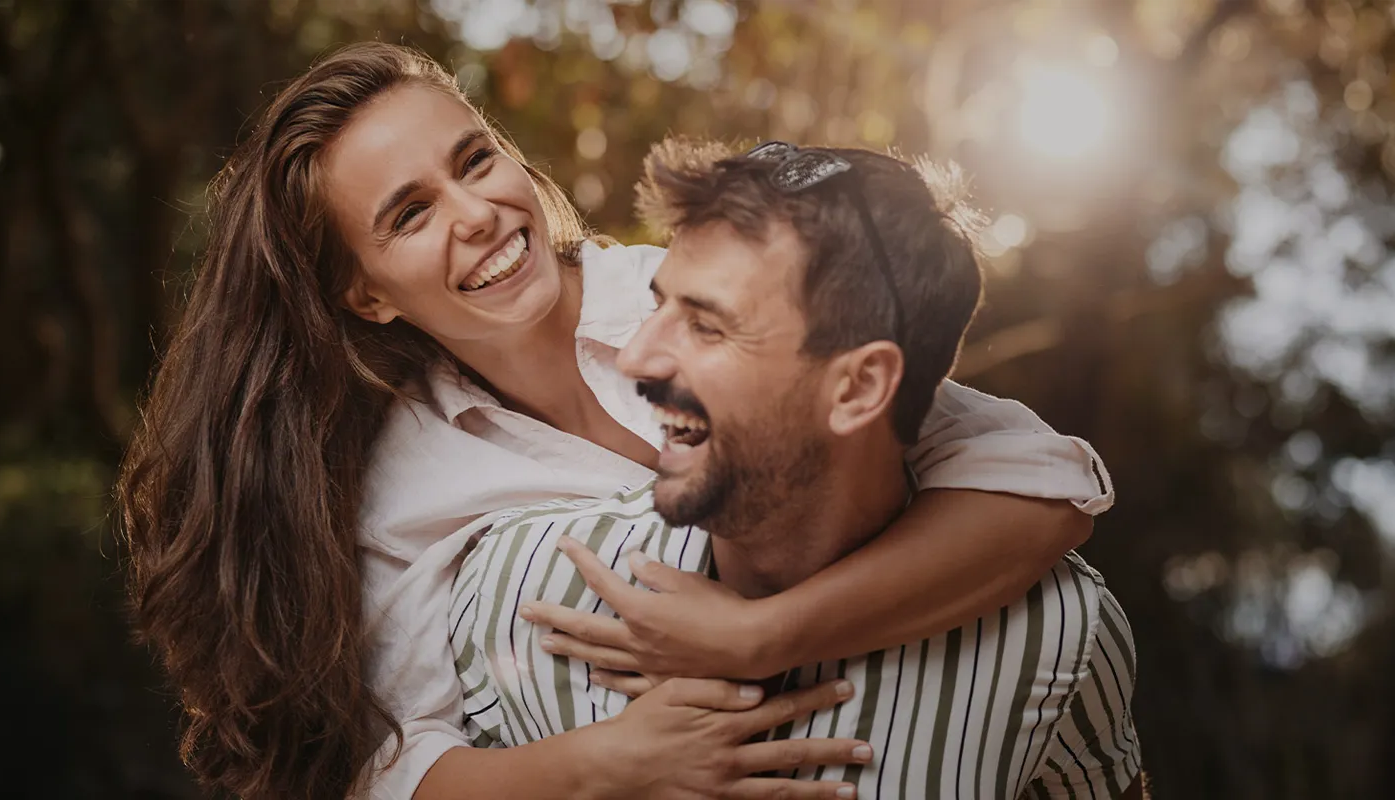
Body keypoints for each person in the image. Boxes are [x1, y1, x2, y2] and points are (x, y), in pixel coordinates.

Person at [117, 43, 1114, 799]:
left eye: (476, 159)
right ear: (366, 295)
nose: (476, 213)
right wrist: (604, 760)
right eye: (410, 214)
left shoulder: (682, 292)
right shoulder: (408, 473)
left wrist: (759, 637)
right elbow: (394, 765)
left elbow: (1048, 483)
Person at [448, 139, 1143, 798]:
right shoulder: (515, 592)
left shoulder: (1060, 638)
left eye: (708, 325)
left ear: (859, 389)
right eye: (659, 306)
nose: (634, 360)